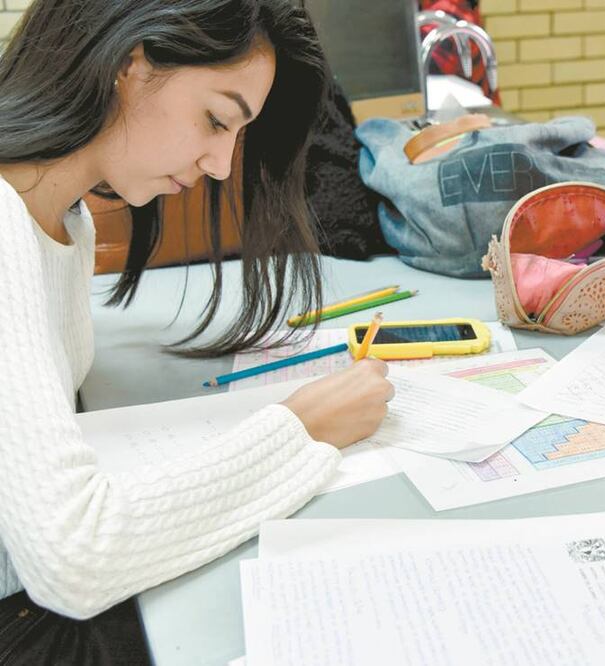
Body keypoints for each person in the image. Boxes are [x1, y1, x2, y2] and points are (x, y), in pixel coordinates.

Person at [0, 0, 393, 661]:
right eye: (216, 120)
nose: (218, 164)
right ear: (130, 61)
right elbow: (76, 559)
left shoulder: (67, 218)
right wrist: (299, 431)